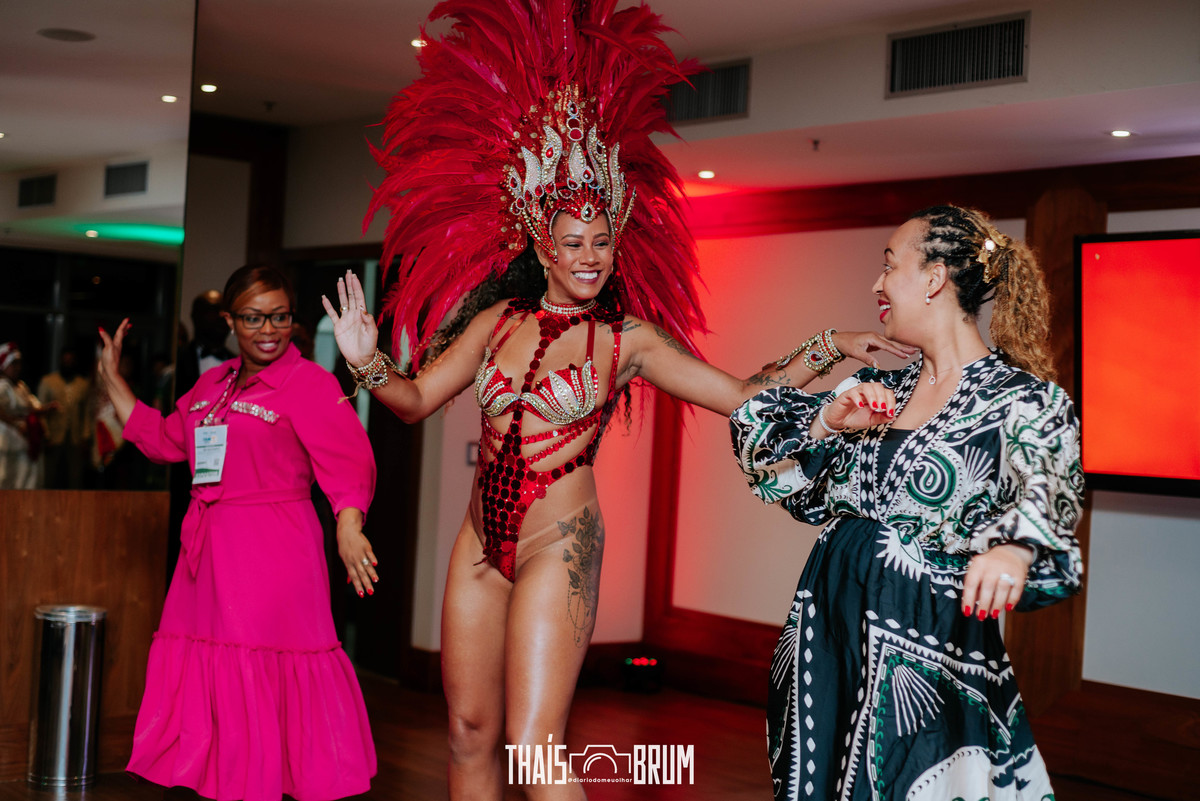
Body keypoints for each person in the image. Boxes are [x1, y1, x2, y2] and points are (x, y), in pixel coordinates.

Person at [324, 3, 911, 798]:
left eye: (602, 242)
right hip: (478, 545)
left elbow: (745, 393)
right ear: (541, 245)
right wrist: (366, 359)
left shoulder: (627, 341)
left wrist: (831, 343)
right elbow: (415, 397)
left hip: (558, 546)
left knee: (534, 746)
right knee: (467, 732)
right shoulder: (495, 322)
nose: (590, 257)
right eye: (573, 242)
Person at [730, 205, 1085, 801]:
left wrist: (1016, 550)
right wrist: (826, 418)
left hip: (927, 646)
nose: (877, 284)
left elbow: (1051, 493)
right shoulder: (876, 391)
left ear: (934, 278)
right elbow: (758, 435)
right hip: (828, 629)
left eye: (890, 266)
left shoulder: (1022, 400)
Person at [96, 265, 379, 801]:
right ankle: (224, 779)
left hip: (272, 551)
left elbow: (348, 464)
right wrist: (113, 378)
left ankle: (258, 783)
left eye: (279, 317)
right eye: (253, 318)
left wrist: (349, 526)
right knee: (214, 665)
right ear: (230, 321)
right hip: (205, 555)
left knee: (257, 665)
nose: (268, 330)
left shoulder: (309, 384)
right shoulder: (213, 384)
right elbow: (165, 439)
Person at [0, 342, 50, 489]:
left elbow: (31, 407)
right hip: (6, 439)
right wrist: (16, 424)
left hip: (24, 439)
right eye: (13, 364)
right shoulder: (2, 386)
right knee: (5, 477)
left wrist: (46, 409)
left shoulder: (21, 386)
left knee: (24, 479)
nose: (17, 368)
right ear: (4, 365)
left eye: (18, 364)